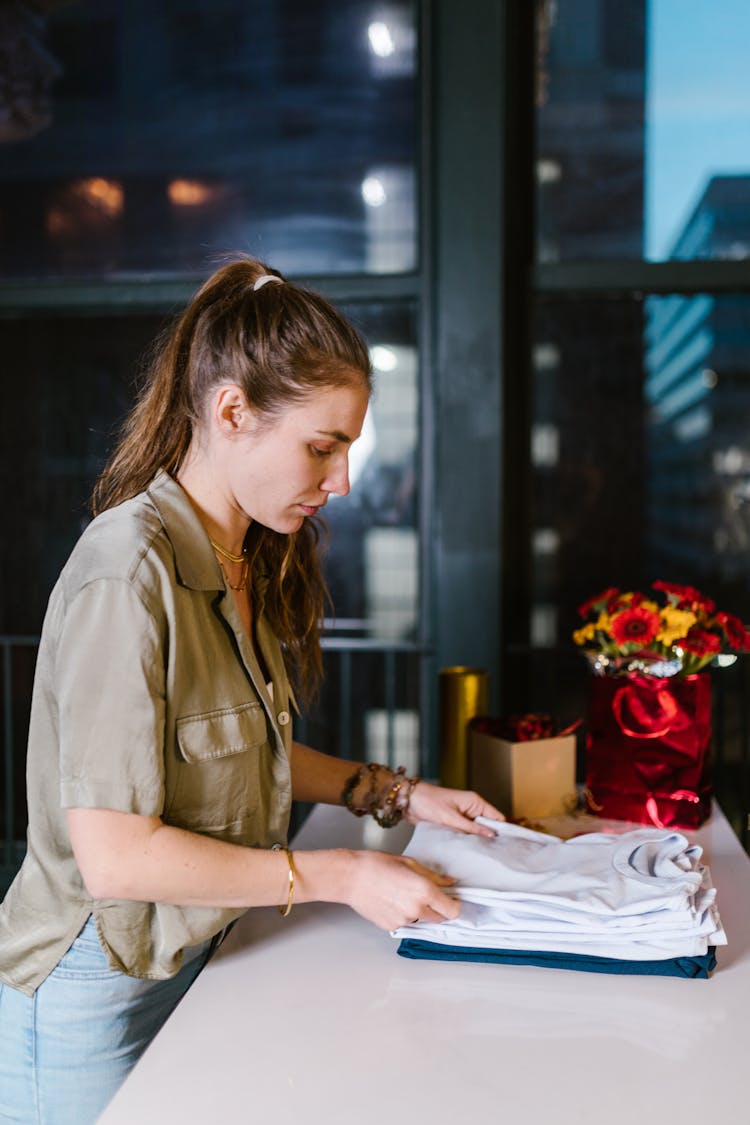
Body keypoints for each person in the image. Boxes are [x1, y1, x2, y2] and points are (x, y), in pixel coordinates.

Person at [0, 257, 503, 1124]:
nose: (340, 481)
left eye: (347, 448)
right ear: (232, 411)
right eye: (322, 446)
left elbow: (243, 752)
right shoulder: (127, 571)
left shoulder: (243, 558)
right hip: (95, 987)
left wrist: (395, 792)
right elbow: (116, 856)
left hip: (199, 951)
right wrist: (341, 872)